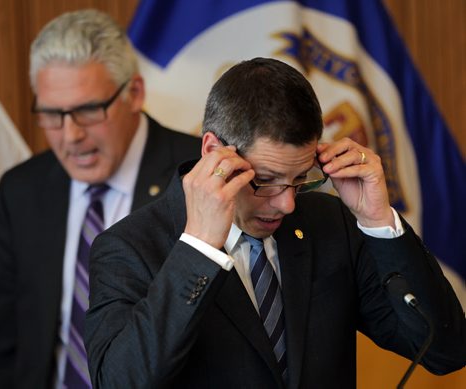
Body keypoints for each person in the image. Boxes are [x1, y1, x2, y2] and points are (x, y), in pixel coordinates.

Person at [85, 57, 465, 388]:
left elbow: (446, 351)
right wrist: (199, 246)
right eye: (264, 180)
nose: (285, 204)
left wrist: (378, 221)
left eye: (300, 180)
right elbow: (120, 380)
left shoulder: (331, 225)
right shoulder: (129, 246)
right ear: (213, 152)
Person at [0, 9, 201, 389]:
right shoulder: (22, 191)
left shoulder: (196, 178)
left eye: (87, 111)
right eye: (52, 114)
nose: (70, 136)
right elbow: (6, 343)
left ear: (134, 93)